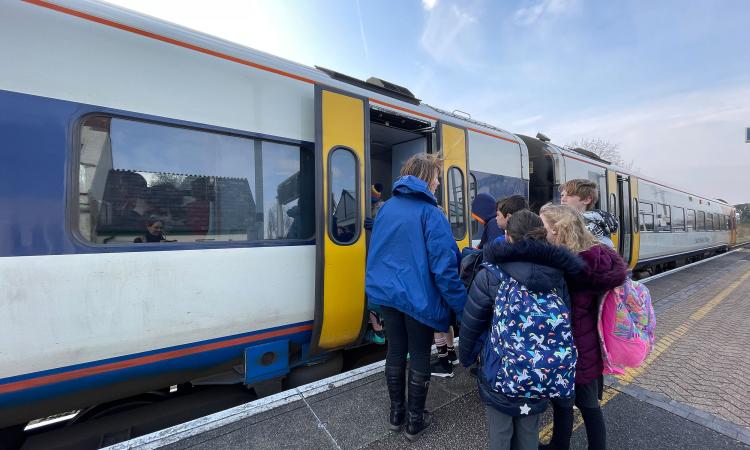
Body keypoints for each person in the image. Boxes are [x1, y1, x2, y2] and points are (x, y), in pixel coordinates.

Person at [460, 210, 583, 450]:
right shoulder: (557, 275)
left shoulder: (491, 274)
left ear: (507, 236)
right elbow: (566, 321)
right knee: (528, 432)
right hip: (540, 372)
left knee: (500, 433)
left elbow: (471, 323)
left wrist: (466, 357)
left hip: (500, 369)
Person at [365, 153, 467, 441]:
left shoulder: (386, 209)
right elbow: (445, 270)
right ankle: (414, 421)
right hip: (419, 298)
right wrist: (464, 308)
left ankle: (396, 415)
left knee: (395, 351)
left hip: (388, 295)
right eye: (436, 176)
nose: (437, 182)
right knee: (420, 353)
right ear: (426, 177)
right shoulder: (431, 214)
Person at [539, 204, 628, 450]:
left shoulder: (569, 267)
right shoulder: (596, 257)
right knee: (589, 405)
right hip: (589, 343)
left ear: (556, 230)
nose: (541, 231)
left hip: (570, 343)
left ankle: (559, 446)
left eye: (544, 226)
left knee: (564, 403)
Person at [559, 179, 618, 248]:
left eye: (570, 195)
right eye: (562, 195)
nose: (563, 199)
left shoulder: (593, 235)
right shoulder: (563, 223)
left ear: (586, 200)